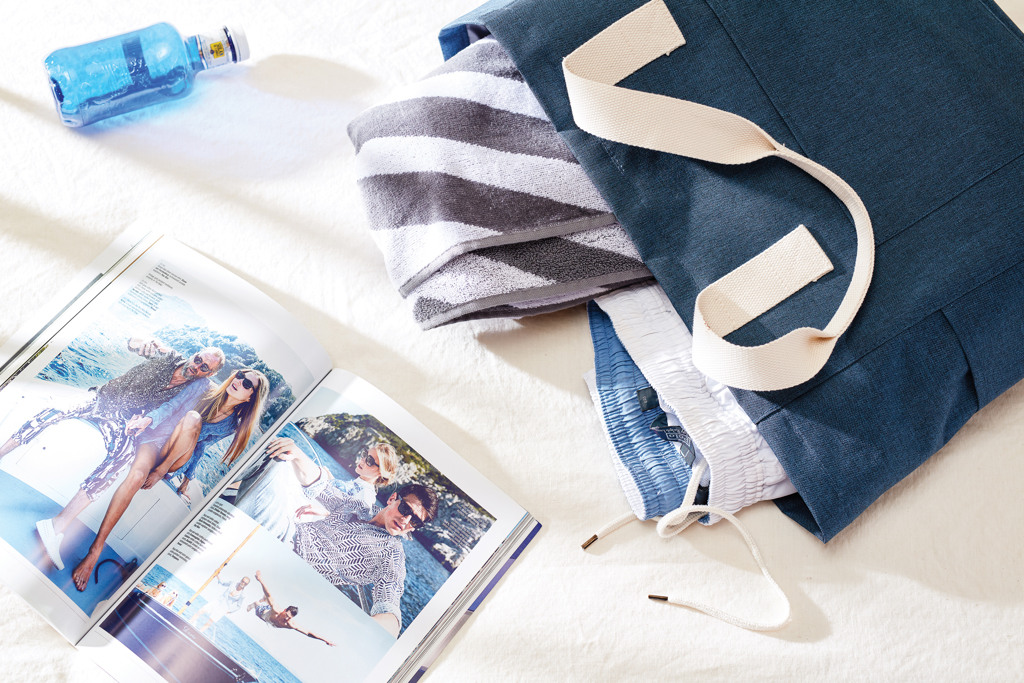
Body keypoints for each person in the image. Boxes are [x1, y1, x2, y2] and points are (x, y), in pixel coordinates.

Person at [4, 337, 224, 574]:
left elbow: (170, 412)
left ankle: (56, 526)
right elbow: (137, 344)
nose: (197, 366)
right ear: (195, 353)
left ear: (209, 374)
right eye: (198, 359)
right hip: (101, 399)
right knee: (55, 411)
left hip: (123, 421)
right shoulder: (168, 356)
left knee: (121, 460)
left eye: (204, 367)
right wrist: (137, 342)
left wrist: (144, 420)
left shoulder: (191, 390)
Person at [63, 366, 267, 592]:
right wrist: (147, 420)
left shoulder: (231, 426)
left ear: (250, 398)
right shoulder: (204, 388)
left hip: (175, 459)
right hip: (155, 439)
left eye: (247, 384)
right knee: (137, 476)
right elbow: (171, 406)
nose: (239, 381)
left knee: (193, 419)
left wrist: (187, 477)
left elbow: (201, 447)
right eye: (240, 375)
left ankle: (161, 470)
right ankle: (96, 549)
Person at [277, 442, 439, 638]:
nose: (405, 521)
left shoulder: (391, 554)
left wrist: (375, 630)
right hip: (290, 532)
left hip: (294, 560)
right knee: (276, 468)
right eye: (405, 509)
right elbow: (318, 486)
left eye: (415, 522)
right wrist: (297, 453)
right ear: (392, 499)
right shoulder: (361, 507)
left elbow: (390, 607)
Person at [233, 437, 399, 542]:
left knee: (278, 461)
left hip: (301, 520)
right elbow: (343, 500)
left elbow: (349, 527)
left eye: (369, 461)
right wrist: (332, 480)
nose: (362, 460)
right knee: (284, 459)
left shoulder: (367, 497)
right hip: (304, 509)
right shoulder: (360, 485)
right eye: (364, 454)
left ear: (380, 473)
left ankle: (229, 482)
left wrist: (325, 512)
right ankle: (230, 483)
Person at [245, 570, 335, 646]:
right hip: (263, 613)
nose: (286, 618)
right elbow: (269, 594)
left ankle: (265, 600)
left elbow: (308, 633)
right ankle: (256, 603)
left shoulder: (291, 624)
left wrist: (325, 640)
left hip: (270, 621)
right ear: (284, 610)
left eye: (289, 617)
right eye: (286, 615)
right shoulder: (277, 609)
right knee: (258, 604)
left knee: (269, 604)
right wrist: (261, 580)